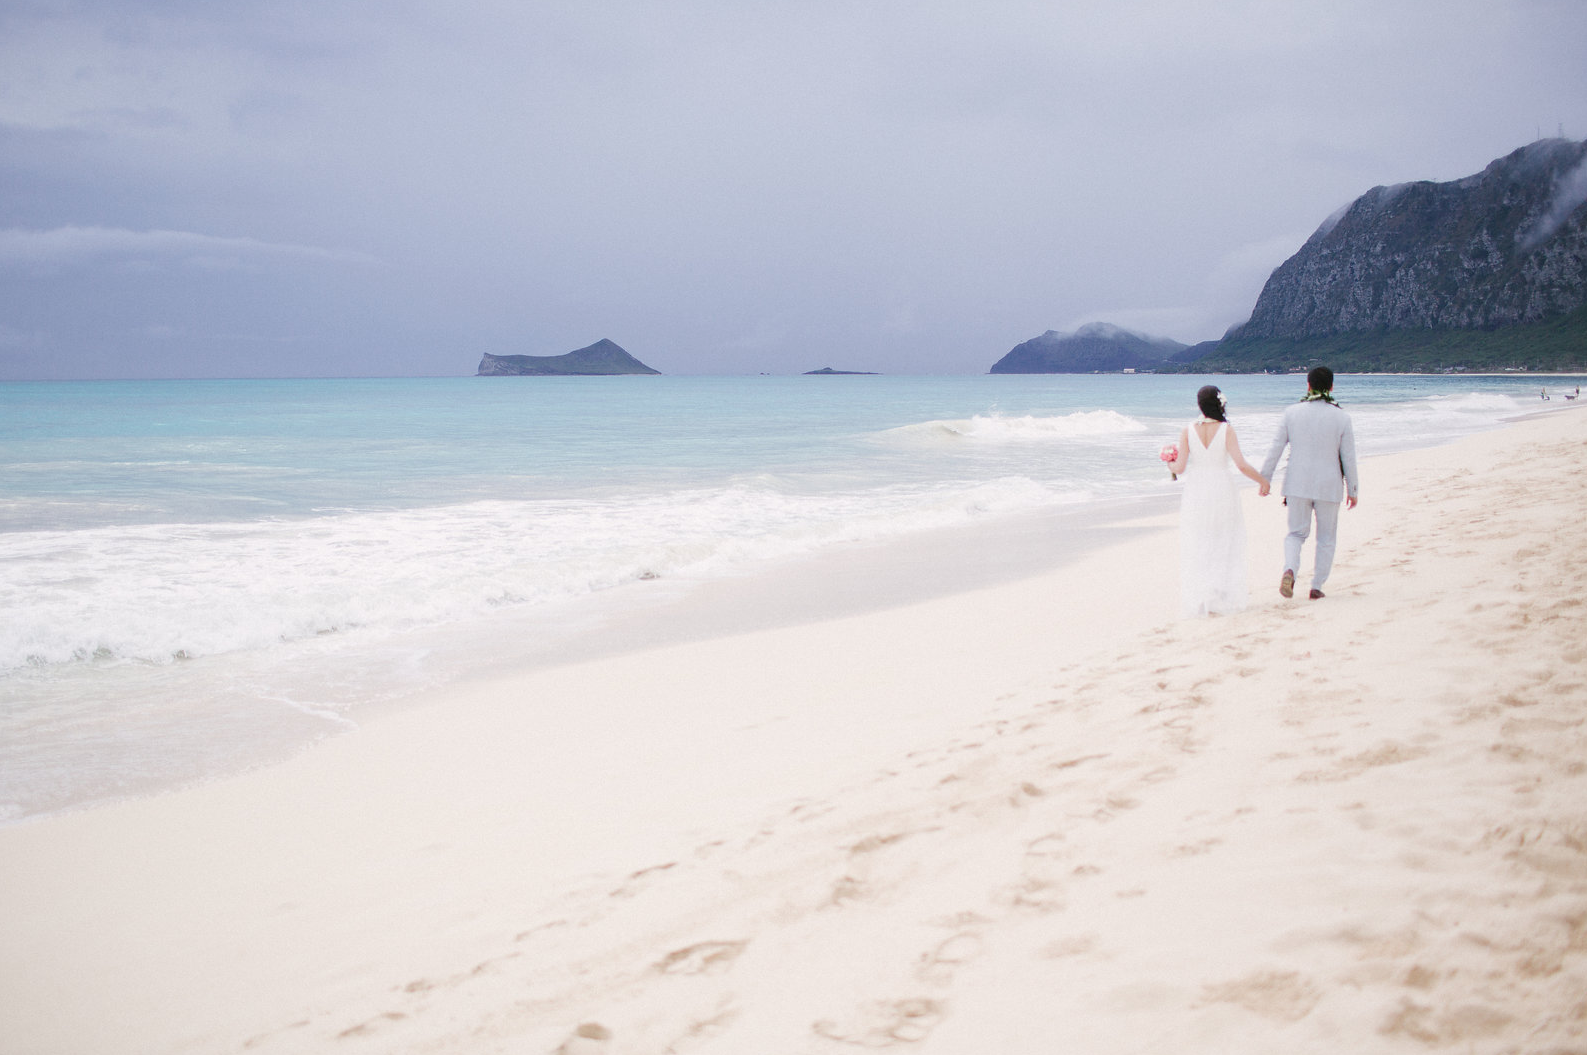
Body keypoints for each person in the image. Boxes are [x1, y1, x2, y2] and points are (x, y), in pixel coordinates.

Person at [1164, 385, 1271, 617]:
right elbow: (1241, 464)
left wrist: (1169, 464)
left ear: (1199, 404)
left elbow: (1180, 468)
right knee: (1224, 540)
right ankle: (1220, 594)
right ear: (1220, 403)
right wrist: (1262, 481)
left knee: (1199, 540)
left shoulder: (1187, 430)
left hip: (1197, 490)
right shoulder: (1226, 429)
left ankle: (1203, 597)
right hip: (1221, 487)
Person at [1259, 366, 1359, 601]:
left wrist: (1265, 478)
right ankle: (1316, 586)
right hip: (1329, 485)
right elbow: (1349, 458)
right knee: (1326, 538)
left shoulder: (1291, 413)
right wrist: (1353, 489)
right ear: (1332, 387)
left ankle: (1290, 570)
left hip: (1297, 483)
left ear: (1308, 385)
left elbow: (1276, 448)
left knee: (1295, 534)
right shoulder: (1342, 417)